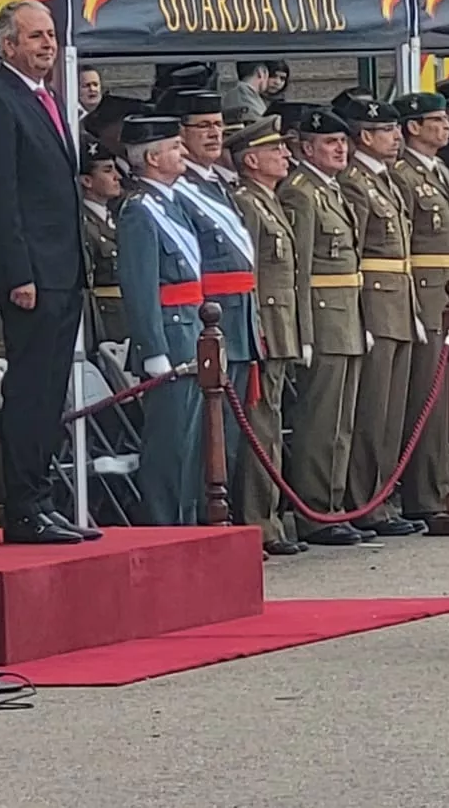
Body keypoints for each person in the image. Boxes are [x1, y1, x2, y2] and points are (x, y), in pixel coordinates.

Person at [0, 0, 92, 544]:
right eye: (35, 36)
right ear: (8, 44)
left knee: (52, 390)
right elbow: (2, 196)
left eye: (51, 35)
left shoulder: (49, 101)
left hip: (64, 266)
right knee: (31, 389)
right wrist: (19, 272)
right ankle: (23, 507)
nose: (47, 44)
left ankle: (43, 497)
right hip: (32, 273)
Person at [167, 90, 263, 526]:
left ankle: (226, 516)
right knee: (208, 431)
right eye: (202, 126)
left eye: (218, 125)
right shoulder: (180, 190)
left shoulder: (218, 183)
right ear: (181, 134)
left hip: (238, 317)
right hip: (208, 318)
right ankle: (208, 517)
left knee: (232, 431)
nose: (213, 133)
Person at [334, 95, 427, 539]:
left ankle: (384, 499)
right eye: (388, 131)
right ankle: (365, 500)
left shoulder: (384, 180)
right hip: (374, 303)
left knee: (391, 415)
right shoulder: (354, 182)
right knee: (371, 413)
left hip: (399, 301)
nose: (396, 138)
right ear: (365, 136)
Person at [279, 107, 370, 547]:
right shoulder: (301, 193)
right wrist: (306, 333)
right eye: (329, 143)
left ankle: (334, 505)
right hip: (323, 317)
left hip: (347, 315)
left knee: (342, 422)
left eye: (342, 141)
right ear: (307, 148)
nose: (340, 149)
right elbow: (297, 271)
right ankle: (315, 510)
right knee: (320, 420)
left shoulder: (330, 190)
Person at [115, 115, 207, 526]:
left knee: (189, 442)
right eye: (174, 147)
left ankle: (183, 519)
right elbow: (140, 285)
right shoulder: (139, 211)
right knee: (168, 443)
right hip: (169, 335)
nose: (183, 152)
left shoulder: (172, 203)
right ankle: (161, 523)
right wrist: (152, 348)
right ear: (153, 157)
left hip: (191, 327)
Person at [228, 116, 306, 556]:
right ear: (252, 159)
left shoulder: (268, 201)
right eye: (276, 150)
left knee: (272, 425)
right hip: (263, 327)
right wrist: (256, 329)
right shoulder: (247, 203)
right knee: (262, 427)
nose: (286, 156)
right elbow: (251, 275)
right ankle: (259, 520)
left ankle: (272, 517)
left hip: (282, 326)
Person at [393, 92, 449, 521]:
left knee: (445, 402)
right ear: (413, 127)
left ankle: (440, 487)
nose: (446, 126)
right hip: (422, 295)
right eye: (435, 120)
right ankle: (423, 493)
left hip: (448, 293)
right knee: (426, 399)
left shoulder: (439, 170)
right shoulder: (403, 174)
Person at [79, 140, 128, 346]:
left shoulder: (120, 216)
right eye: (107, 171)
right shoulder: (82, 223)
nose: (117, 176)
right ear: (87, 181)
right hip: (106, 319)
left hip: (125, 316)